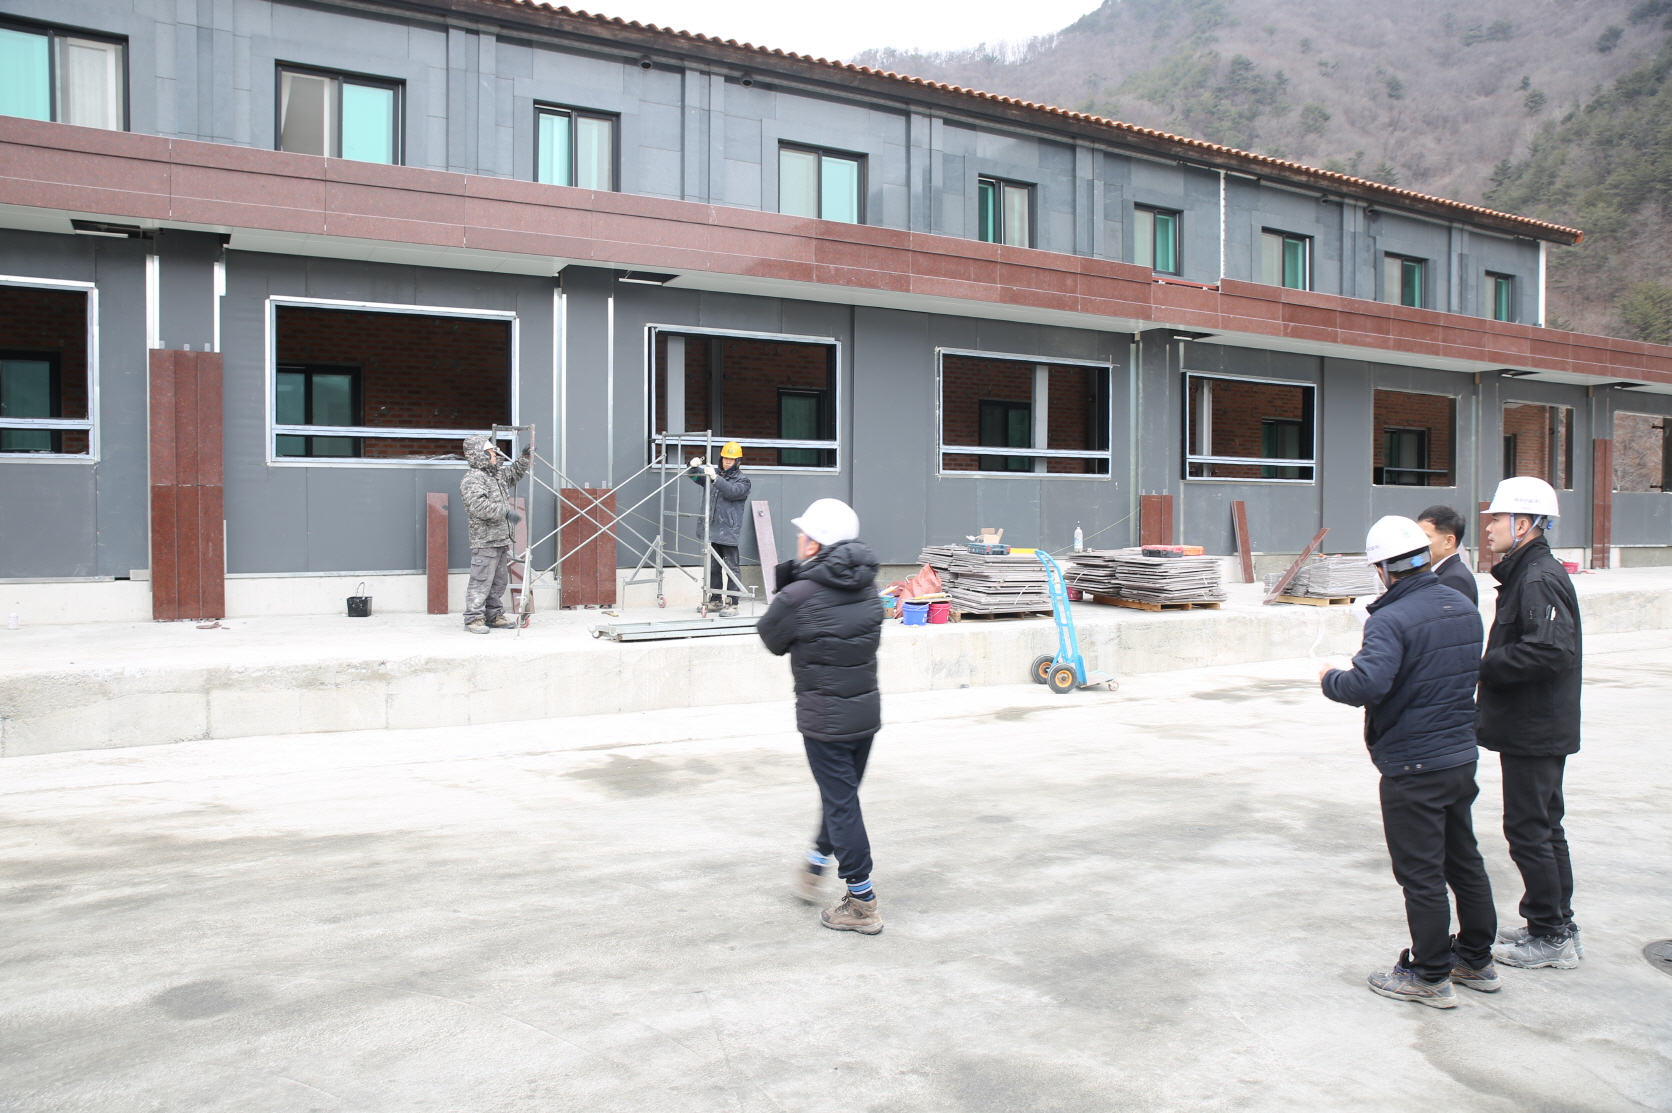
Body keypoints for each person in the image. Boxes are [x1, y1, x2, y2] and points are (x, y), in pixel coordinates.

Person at [1319, 515, 1498, 1008]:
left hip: (1413, 766)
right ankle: (1476, 959)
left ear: (1382, 570)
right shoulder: (1463, 606)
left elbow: (1366, 685)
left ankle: (1430, 974)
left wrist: (1330, 676)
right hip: (1458, 757)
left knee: (1421, 875)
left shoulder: (1390, 619)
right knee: (1464, 861)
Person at [757, 498, 886, 935]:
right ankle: (815, 861)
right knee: (841, 797)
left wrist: (793, 583)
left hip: (824, 720)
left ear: (815, 545)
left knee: (842, 803)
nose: (799, 538)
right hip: (864, 714)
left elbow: (772, 637)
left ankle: (862, 902)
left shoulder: (798, 596)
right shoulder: (869, 589)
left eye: (804, 533)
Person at [1479, 476, 1585, 971]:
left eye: (1497, 519)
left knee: (1528, 830)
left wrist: (1484, 665)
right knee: (1544, 826)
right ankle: (1557, 924)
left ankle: (1550, 934)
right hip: (1536, 725)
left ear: (1523, 524)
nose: (1489, 528)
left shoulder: (1537, 578)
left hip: (1534, 729)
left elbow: (1549, 651)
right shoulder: (1528, 573)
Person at [459, 433, 531, 634]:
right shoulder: (474, 478)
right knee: (481, 581)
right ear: (480, 454)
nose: (495, 453)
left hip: (500, 539)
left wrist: (524, 458)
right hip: (485, 540)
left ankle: (493, 615)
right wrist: (505, 512)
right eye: (491, 450)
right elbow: (478, 506)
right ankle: (473, 618)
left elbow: (513, 474)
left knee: (498, 582)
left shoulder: (495, 476)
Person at [691, 441, 751, 617]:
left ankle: (732, 603)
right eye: (725, 458)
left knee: (731, 568)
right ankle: (715, 600)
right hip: (711, 529)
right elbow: (695, 477)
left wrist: (715, 479)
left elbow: (731, 492)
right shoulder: (713, 474)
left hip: (728, 531)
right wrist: (692, 467)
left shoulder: (743, 481)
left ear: (737, 461)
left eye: (731, 459)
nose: (727, 462)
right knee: (713, 568)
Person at [1417, 504, 1478, 606]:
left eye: (1425, 537)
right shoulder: (1440, 572)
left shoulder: (1454, 580)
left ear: (1449, 541)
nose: (1418, 542)